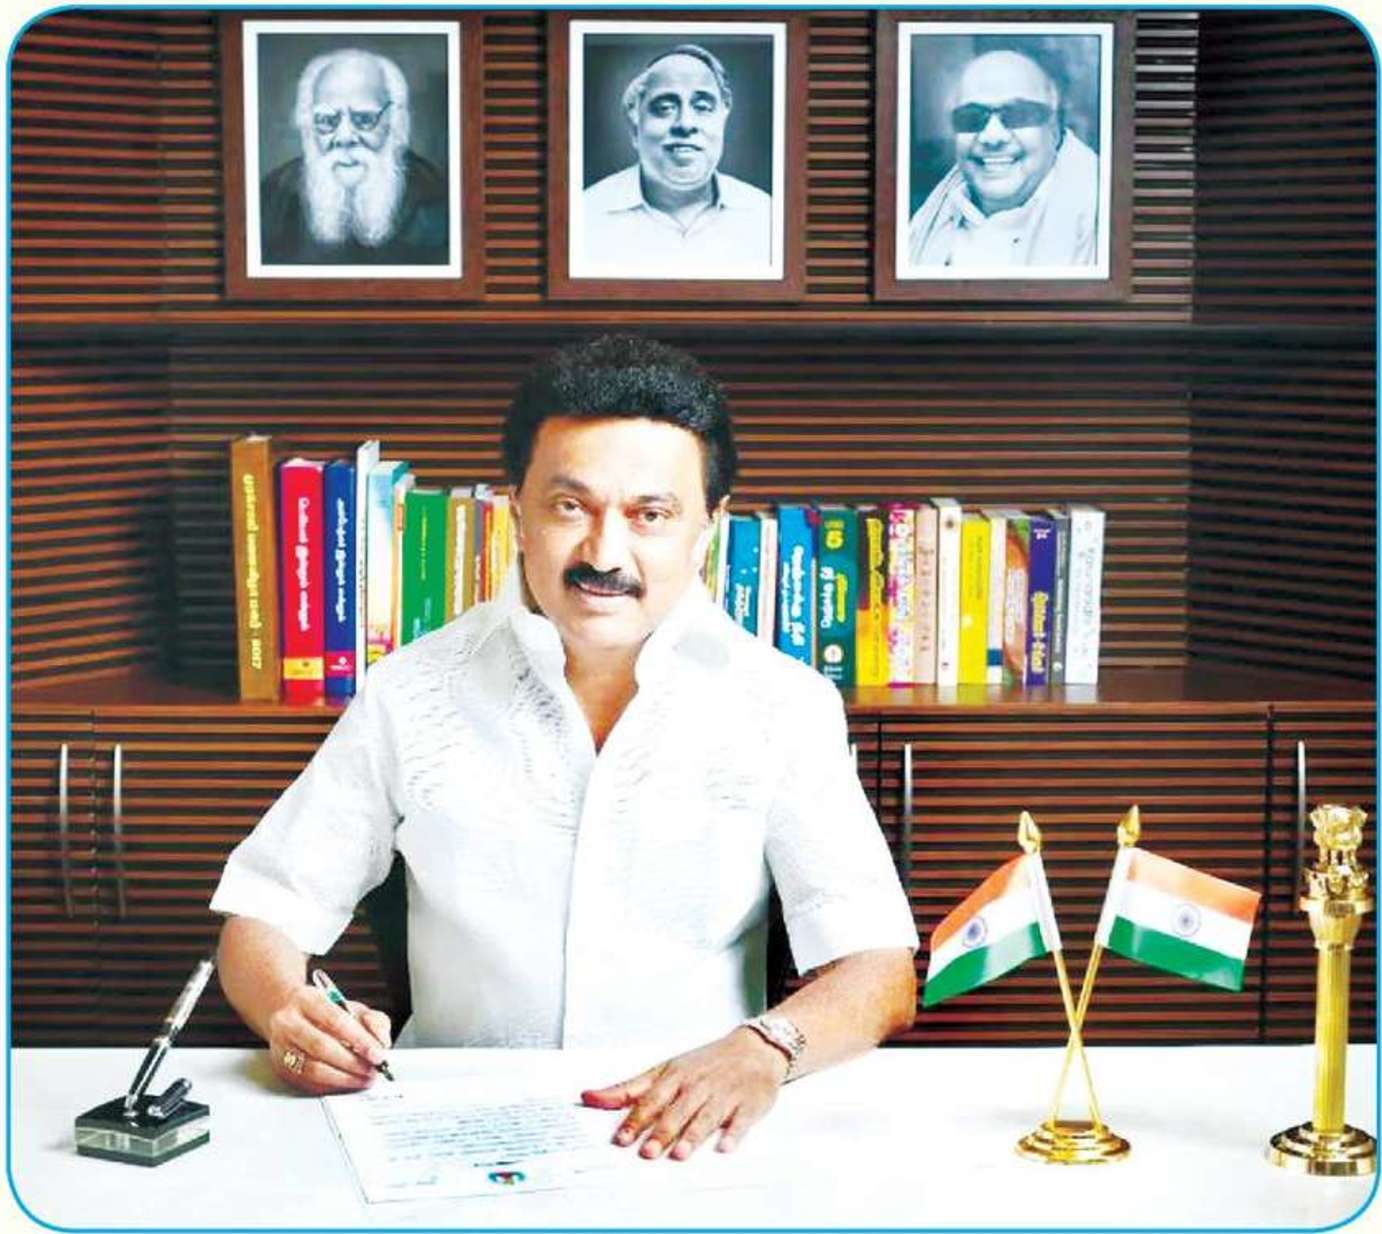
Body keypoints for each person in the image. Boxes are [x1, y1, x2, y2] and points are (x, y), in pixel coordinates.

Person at [210, 334, 918, 1162]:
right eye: (570, 506)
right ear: (517, 512)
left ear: (707, 529)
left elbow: (879, 970)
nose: (604, 555)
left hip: (692, 1135)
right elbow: (265, 913)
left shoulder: (783, 704)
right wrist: (288, 1012)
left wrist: (765, 1049)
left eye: (650, 515)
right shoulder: (411, 691)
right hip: (451, 1129)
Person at [580, 45, 774, 274]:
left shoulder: (768, 216)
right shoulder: (583, 215)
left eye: (702, 107)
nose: (685, 124)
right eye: (665, 108)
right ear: (634, 127)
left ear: (723, 119)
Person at [907, 48, 1100, 270]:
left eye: (1018, 114)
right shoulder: (930, 216)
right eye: (971, 117)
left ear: (1054, 127)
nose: (992, 136)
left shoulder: (1103, 219)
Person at [259, 48, 449, 266]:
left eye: (364, 118)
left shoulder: (434, 197)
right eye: (327, 120)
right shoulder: (274, 197)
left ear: (394, 121)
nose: (344, 137)